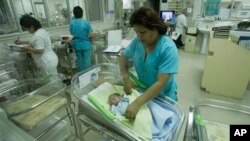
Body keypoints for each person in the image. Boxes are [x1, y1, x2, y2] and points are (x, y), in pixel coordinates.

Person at [119, 6, 179, 120]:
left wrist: (137, 103)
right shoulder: (138, 42)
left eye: (143, 32)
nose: (139, 36)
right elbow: (122, 58)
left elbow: (161, 83)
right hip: (143, 91)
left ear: (155, 29)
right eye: (136, 32)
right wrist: (126, 77)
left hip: (163, 97)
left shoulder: (168, 48)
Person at [70, 6, 94, 72]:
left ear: (74, 14)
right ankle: (88, 77)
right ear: (82, 13)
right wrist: (91, 43)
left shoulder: (72, 24)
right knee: (87, 62)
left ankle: (82, 77)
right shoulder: (86, 23)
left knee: (80, 62)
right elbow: (91, 35)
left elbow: (72, 35)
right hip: (86, 45)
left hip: (77, 45)